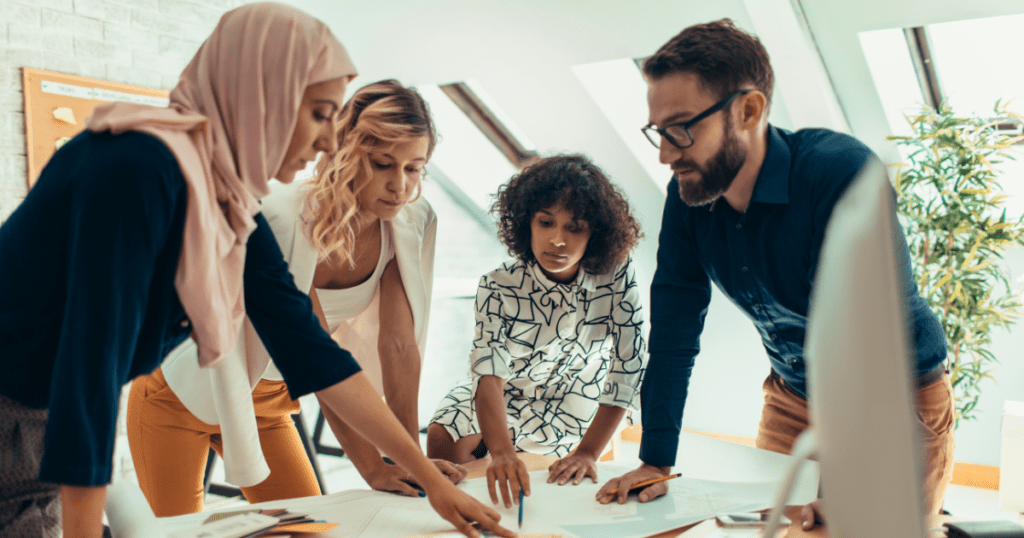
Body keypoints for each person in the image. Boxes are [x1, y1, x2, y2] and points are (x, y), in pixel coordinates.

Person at [0, 5, 512, 538]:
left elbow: (312, 351)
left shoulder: (228, 205)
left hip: (40, 424)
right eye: (318, 114)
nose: (326, 143)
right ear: (259, 93)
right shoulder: (136, 170)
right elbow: (89, 369)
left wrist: (432, 481)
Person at [595, 19, 954, 529]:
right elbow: (674, 332)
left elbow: (871, 339)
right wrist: (655, 459)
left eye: (680, 128)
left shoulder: (839, 173)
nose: (664, 154)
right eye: (658, 131)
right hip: (793, 395)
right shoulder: (688, 196)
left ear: (748, 110)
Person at [127, 79, 463, 516]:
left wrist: (406, 460)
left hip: (268, 403)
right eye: (382, 164)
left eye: (414, 168)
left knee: (309, 528)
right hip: (178, 396)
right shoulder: (283, 216)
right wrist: (381, 467)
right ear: (346, 152)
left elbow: (399, 347)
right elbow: (317, 357)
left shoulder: (411, 220)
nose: (400, 185)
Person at [427, 154, 647, 509]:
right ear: (526, 222)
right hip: (509, 391)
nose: (557, 240)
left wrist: (590, 452)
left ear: (596, 232)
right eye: (546, 223)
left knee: (559, 476)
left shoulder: (617, 274)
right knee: (443, 437)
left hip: (579, 395)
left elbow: (629, 364)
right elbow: (489, 375)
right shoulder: (497, 286)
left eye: (574, 228)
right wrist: (499, 452)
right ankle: (472, 518)